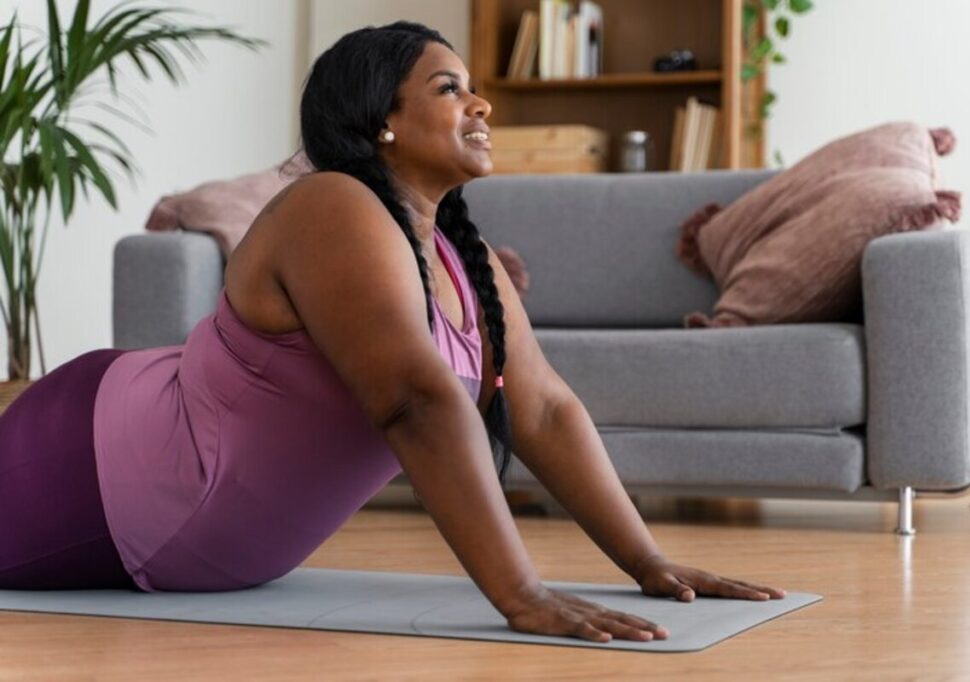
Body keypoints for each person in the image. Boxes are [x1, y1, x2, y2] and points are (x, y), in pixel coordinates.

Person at [0, 21, 785, 644]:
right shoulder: (332, 205)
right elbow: (414, 399)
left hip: (180, 530)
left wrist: (646, 562)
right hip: (92, 465)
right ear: (382, 123)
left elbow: (544, 409)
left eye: (477, 89)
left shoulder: (458, 255)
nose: (481, 105)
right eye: (451, 90)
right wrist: (520, 593)